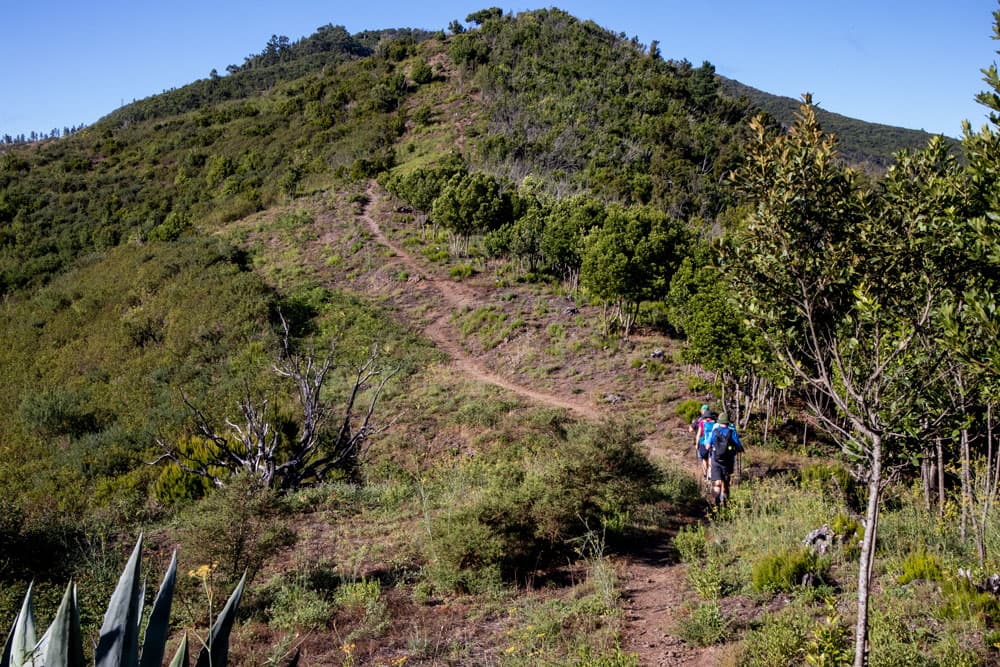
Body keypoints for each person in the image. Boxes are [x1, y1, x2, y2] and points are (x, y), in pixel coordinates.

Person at [709, 412, 743, 507]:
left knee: (717, 483)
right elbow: (738, 446)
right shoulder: (732, 432)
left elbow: (708, 445)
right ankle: (726, 503)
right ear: (728, 422)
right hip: (728, 462)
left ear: (719, 422)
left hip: (716, 460)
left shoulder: (715, 431)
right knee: (726, 483)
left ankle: (715, 504)